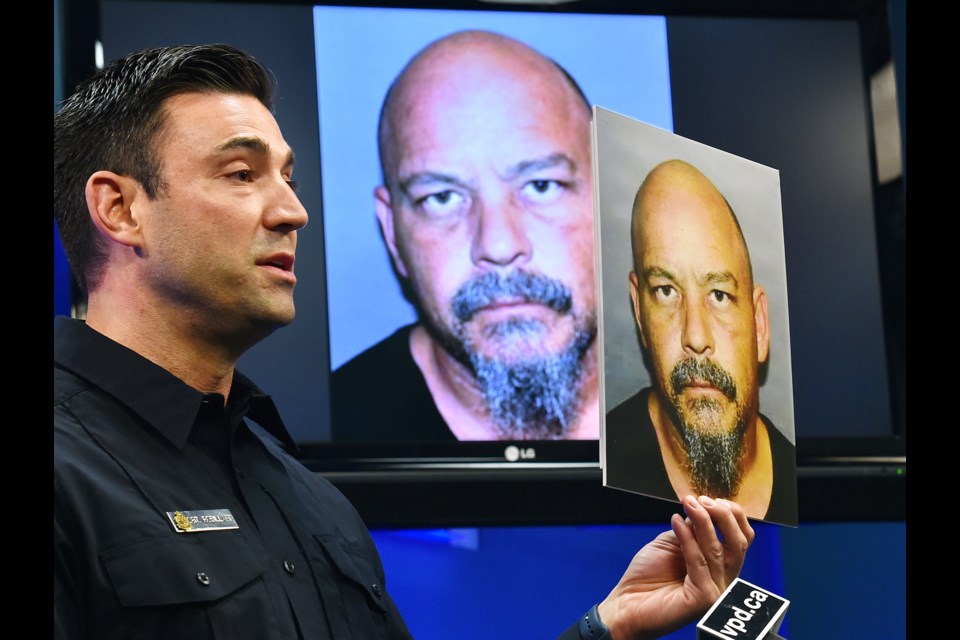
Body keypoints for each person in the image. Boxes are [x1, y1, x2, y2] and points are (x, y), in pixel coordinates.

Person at [54, 43, 756, 639]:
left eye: (542, 184)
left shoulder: (307, 499)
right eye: (242, 175)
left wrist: (606, 627)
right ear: (120, 208)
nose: (293, 210)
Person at [331, 30, 599, 442]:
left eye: (541, 185)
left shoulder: (720, 415)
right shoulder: (313, 444)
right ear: (392, 231)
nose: (499, 246)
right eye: (442, 197)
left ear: (607, 197)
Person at [605, 159, 797, 526]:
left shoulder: (814, 483)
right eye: (665, 291)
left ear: (759, 323)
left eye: (719, 295)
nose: (695, 337)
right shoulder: (598, 473)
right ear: (639, 311)